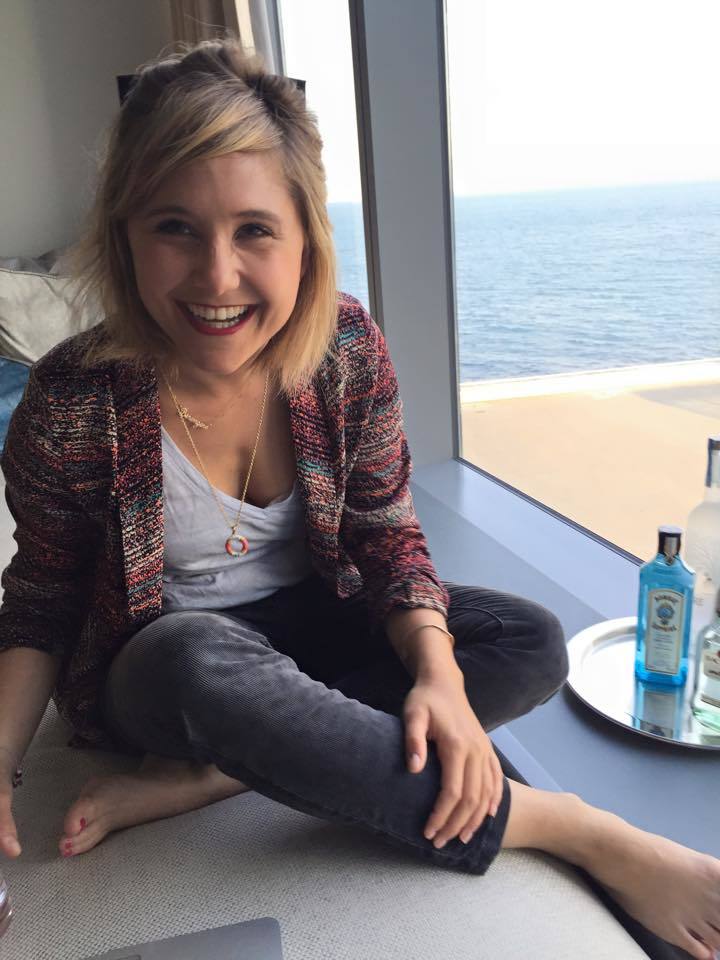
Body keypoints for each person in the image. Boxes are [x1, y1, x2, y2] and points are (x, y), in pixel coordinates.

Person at [0, 37, 718, 960]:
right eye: (174, 227)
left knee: (526, 639)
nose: (216, 276)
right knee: (194, 658)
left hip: (313, 625)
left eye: (254, 230)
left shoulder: (344, 348)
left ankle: (220, 774)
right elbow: (43, 599)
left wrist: (441, 677)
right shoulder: (70, 399)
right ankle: (571, 827)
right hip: (165, 668)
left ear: (305, 237)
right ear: (123, 235)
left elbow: (385, 533)